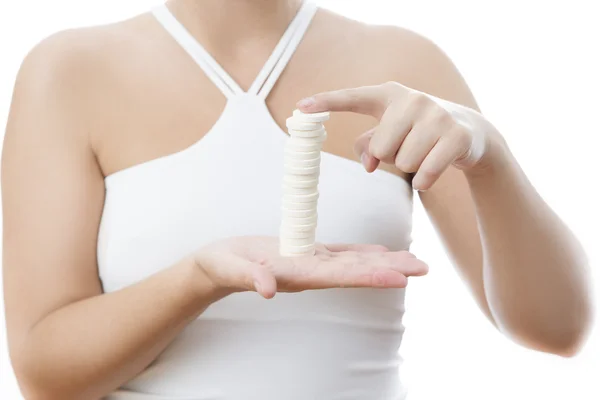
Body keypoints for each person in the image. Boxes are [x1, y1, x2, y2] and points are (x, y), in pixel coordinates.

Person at [1, 0, 593, 399]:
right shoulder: (70, 71)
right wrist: (198, 279)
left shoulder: (405, 65)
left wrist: (490, 155)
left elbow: (559, 329)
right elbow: (44, 374)